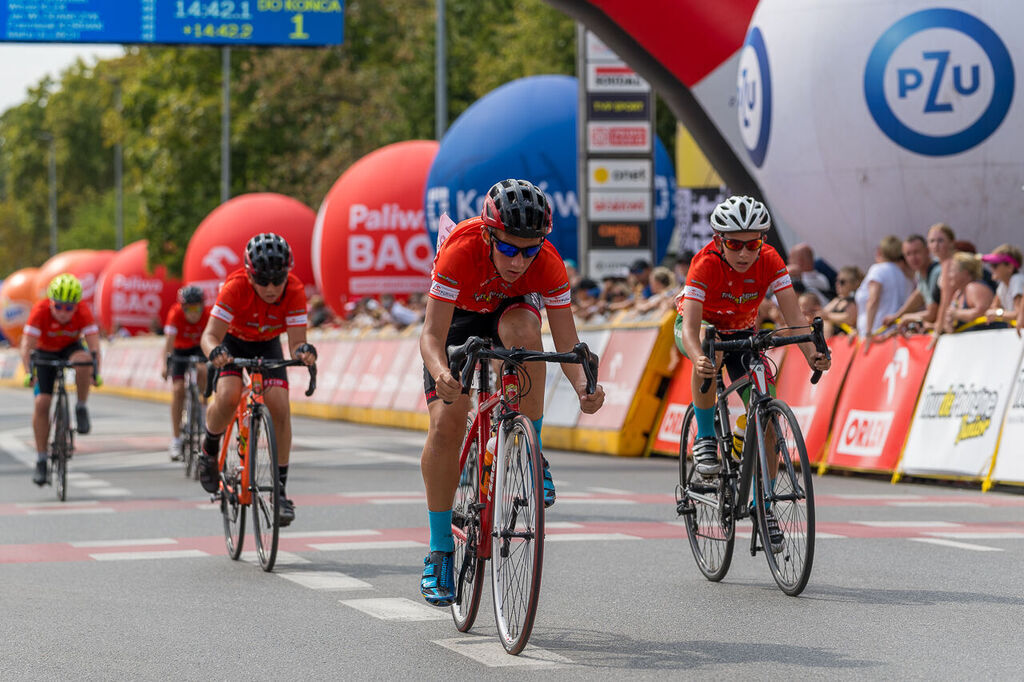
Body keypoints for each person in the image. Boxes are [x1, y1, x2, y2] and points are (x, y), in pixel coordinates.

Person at [418, 178, 606, 606]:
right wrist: (441, 372)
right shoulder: (460, 250)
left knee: (525, 336)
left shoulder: (548, 264)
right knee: (446, 425)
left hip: (510, 312)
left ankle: (531, 447)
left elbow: (568, 346)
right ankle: (439, 550)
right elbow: (431, 336)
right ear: (488, 235)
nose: (519, 260)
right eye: (508, 249)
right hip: (460, 319)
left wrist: (585, 389)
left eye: (529, 249)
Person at [676, 196, 829, 551]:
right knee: (708, 361)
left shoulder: (771, 260)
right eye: (734, 244)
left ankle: (765, 504)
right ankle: (706, 437)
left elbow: (794, 320)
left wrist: (811, 355)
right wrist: (698, 355)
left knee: (769, 419)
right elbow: (690, 328)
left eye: (753, 243)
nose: (745, 253)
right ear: (718, 241)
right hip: (705, 328)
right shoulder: (704, 264)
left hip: (744, 330)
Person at [197, 233, 317, 528]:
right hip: (233, 344)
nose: (272, 288)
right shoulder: (235, 287)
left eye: (278, 280)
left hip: (268, 344)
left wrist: (303, 352)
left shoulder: (295, 290)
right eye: (263, 281)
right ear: (250, 275)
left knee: (279, 406)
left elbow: (296, 342)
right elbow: (209, 335)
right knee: (227, 396)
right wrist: (215, 352)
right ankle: (208, 449)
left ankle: (280, 491)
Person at [20, 274, 100, 486]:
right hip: (44, 351)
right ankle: (41, 459)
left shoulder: (83, 311)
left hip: (70, 348)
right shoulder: (40, 311)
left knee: (84, 362)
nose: (64, 312)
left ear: (76, 306)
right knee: (42, 402)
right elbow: (26, 346)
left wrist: (95, 371)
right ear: (51, 302)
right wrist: (29, 372)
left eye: (69, 308)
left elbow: (94, 347)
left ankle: (81, 406)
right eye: (59, 306)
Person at [161, 285, 210, 460]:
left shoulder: (207, 315)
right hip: (179, 351)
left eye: (197, 308)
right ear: (183, 308)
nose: (193, 313)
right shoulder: (175, 314)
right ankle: (175, 440)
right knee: (178, 390)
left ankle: (202, 407)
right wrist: (166, 364)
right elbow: (168, 343)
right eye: (189, 309)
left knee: (203, 370)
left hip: (198, 349)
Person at [854, 235, 912, 347]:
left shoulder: (878, 270)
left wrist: (868, 332)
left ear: (880, 251)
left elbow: (873, 299)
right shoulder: (904, 276)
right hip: (894, 334)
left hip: (876, 335)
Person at [881, 234, 940, 330]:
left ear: (927, 251)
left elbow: (932, 314)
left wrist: (907, 318)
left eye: (916, 252)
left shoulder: (935, 272)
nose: (913, 258)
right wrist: (897, 316)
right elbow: (918, 295)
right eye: (908, 254)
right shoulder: (920, 273)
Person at [942, 252, 995, 333]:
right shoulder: (958, 294)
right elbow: (950, 319)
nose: (949, 275)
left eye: (952, 271)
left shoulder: (973, 287)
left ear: (965, 273)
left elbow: (983, 312)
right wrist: (949, 324)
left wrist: (956, 314)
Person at [981, 244, 1024, 326]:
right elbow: (993, 308)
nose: (991, 268)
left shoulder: (1016, 280)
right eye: (991, 265)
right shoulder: (1002, 285)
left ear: (1010, 267)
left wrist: (998, 313)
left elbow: (1019, 314)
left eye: (995, 265)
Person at [820, 265, 863, 336]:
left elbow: (850, 319)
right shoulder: (838, 299)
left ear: (854, 283)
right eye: (836, 281)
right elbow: (822, 314)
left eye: (842, 282)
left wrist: (828, 316)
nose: (837, 284)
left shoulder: (854, 300)